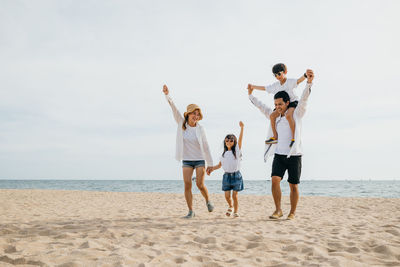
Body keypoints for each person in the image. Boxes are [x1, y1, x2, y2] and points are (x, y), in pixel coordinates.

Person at [247, 70, 314, 220]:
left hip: (294, 154)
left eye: (280, 104)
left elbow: (303, 99)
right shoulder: (275, 116)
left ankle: (292, 213)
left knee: (293, 185)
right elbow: (261, 106)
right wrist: (251, 95)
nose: (277, 107)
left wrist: (309, 82)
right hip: (279, 154)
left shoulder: (296, 114)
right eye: (275, 104)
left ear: (287, 103)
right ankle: (278, 210)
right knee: (275, 180)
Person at [162, 84, 214, 219]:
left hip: (199, 159)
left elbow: (206, 146)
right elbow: (173, 108)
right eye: (193, 114)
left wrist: (210, 164)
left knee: (200, 184)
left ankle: (208, 200)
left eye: (198, 114)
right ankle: (191, 211)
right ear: (188, 114)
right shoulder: (181, 123)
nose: (196, 116)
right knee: (187, 184)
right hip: (186, 159)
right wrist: (167, 95)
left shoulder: (200, 129)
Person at [248, 63, 310, 147]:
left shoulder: (290, 82)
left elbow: (299, 80)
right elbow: (265, 88)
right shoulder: (276, 86)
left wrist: (305, 75)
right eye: (275, 75)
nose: (277, 76)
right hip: (282, 106)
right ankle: (275, 136)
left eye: (279, 74)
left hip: (292, 102)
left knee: (288, 115)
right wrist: (253, 87)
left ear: (285, 72)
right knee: (272, 116)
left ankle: (293, 138)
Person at [207, 121, 244, 218]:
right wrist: (211, 169)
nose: (228, 142)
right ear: (224, 142)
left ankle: (235, 212)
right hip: (226, 176)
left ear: (234, 142)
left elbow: (240, 141)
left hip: (236, 176)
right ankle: (230, 206)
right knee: (227, 196)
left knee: (235, 196)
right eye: (227, 140)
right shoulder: (223, 155)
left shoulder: (236, 151)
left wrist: (242, 128)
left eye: (231, 140)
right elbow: (219, 165)